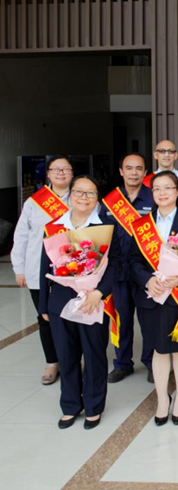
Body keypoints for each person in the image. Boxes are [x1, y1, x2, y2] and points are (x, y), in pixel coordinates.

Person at [39, 175, 119, 429]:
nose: (84, 197)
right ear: (70, 194)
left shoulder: (106, 227)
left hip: (93, 301)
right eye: (79, 192)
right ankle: (70, 405)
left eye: (90, 193)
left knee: (94, 354)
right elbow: (44, 266)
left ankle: (94, 406)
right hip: (60, 301)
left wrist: (100, 292)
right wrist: (43, 305)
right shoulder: (54, 227)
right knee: (67, 355)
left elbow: (116, 266)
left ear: (97, 198)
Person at [130, 171, 178, 427]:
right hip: (151, 295)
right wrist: (147, 280)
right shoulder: (141, 224)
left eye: (168, 188)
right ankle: (162, 399)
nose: (162, 193)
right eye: (157, 189)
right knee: (158, 349)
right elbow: (133, 261)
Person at [12, 155, 72, 386]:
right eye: (56, 169)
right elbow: (21, 236)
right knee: (45, 318)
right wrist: (19, 269)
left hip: (71, 271)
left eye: (66, 169)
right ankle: (52, 362)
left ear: (72, 173)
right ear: (48, 174)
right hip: (38, 270)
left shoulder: (80, 197)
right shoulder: (34, 202)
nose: (61, 173)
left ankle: (71, 360)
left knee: (71, 318)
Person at [105, 153, 156, 384]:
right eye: (129, 168)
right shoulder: (110, 201)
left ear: (145, 172)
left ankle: (152, 363)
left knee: (148, 319)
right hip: (118, 272)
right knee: (122, 318)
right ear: (121, 171)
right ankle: (123, 363)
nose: (134, 173)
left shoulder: (153, 198)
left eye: (138, 168)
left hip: (144, 272)